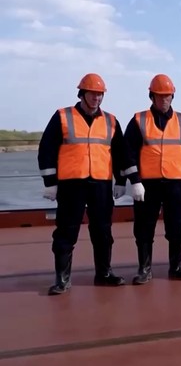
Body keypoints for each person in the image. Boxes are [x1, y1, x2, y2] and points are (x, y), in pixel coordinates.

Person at [37, 73, 142, 295]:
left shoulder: (111, 121)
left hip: (101, 185)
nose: (96, 98)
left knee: (103, 231)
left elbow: (122, 154)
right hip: (71, 185)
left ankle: (104, 273)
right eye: (92, 94)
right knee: (66, 231)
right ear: (82, 94)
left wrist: (125, 181)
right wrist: (50, 183)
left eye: (100, 94)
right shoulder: (63, 117)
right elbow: (46, 149)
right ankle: (62, 279)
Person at [123, 74, 181, 284]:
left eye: (168, 96)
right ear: (152, 96)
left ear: (173, 96)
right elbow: (128, 153)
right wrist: (135, 181)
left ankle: (176, 266)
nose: (164, 99)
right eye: (160, 96)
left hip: (176, 184)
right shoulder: (139, 120)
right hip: (147, 186)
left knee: (176, 227)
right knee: (144, 228)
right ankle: (144, 269)